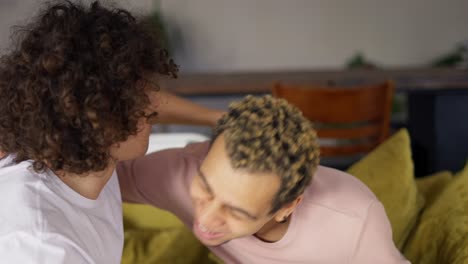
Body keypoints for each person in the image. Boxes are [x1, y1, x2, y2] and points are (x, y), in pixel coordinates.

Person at [0, 1, 222, 263]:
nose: (150, 106)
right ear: (92, 117)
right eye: (133, 98)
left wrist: (218, 117)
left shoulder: (82, 162)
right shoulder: (40, 245)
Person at [117, 95, 410, 264]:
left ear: (287, 207)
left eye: (237, 211)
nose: (206, 218)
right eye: (206, 189)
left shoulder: (354, 222)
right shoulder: (181, 171)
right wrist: (214, 117)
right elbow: (93, 176)